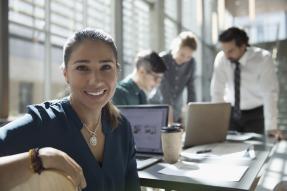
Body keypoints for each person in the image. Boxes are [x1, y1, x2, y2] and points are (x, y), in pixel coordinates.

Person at [0, 28, 140, 191]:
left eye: (105, 67)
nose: (95, 80)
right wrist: (39, 158)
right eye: (82, 68)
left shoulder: (122, 128)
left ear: (117, 71)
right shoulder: (42, 122)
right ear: (65, 73)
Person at [210, 27, 280, 136]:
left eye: (230, 51)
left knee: (255, 150)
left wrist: (271, 127)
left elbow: (269, 93)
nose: (226, 55)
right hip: (231, 113)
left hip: (256, 114)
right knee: (229, 150)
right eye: (224, 50)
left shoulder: (263, 59)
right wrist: (217, 122)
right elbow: (217, 92)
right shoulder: (221, 59)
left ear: (243, 45)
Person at [154, 31, 197, 122]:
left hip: (177, 110)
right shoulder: (162, 59)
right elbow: (163, 88)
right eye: (182, 54)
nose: (185, 59)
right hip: (158, 106)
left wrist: (192, 109)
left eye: (189, 57)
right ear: (175, 47)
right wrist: (169, 109)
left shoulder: (192, 63)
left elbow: (191, 89)